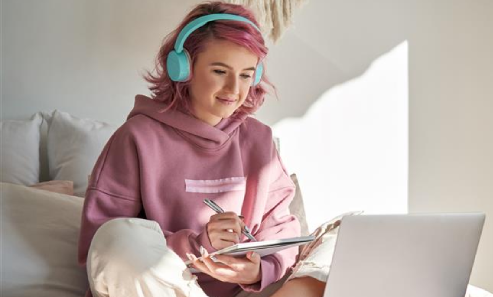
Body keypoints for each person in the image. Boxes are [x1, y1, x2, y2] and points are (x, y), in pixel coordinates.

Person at [77, 2, 327, 297]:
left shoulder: (260, 139)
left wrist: (260, 269)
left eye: (246, 74)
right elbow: (103, 245)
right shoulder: (136, 138)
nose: (234, 88)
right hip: (163, 288)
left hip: (244, 292)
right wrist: (198, 244)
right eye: (220, 71)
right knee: (120, 237)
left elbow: (282, 230)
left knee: (337, 238)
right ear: (183, 68)